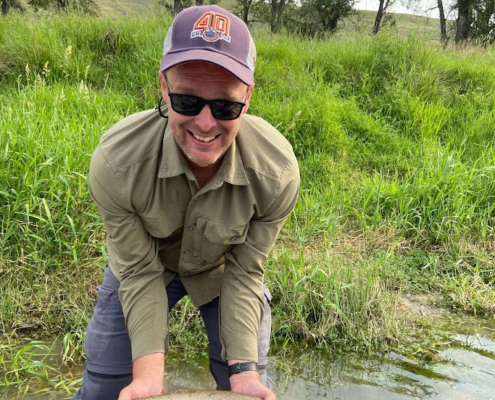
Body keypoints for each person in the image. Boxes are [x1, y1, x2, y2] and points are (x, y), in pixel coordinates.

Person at [74, 5, 299, 400]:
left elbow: (246, 273)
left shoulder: (276, 173)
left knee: (243, 387)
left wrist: (243, 373)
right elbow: (139, 273)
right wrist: (146, 377)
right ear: (163, 86)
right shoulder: (117, 163)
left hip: (225, 271)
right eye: (187, 102)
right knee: (104, 388)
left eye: (226, 106)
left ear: (247, 98)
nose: (206, 124)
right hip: (144, 266)